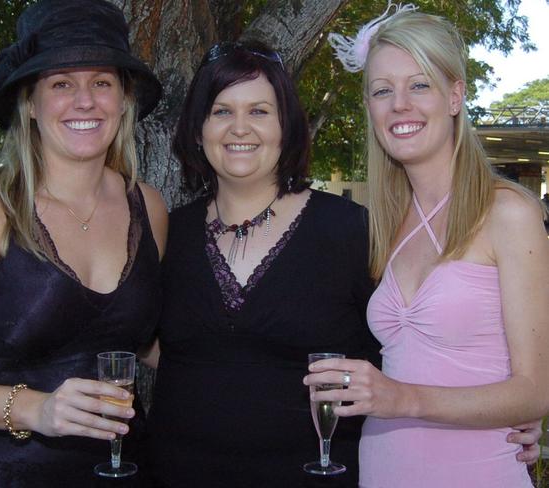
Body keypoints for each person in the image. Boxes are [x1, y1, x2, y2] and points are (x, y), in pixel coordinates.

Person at [0, 0, 167, 486]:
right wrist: (36, 409)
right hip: (7, 475)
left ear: (124, 99)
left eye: (101, 83)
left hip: (131, 470)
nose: (84, 101)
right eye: (61, 83)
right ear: (29, 103)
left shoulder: (148, 208)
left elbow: (147, 341)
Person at [306, 5, 549, 487]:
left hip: (478, 472)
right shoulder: (388, 224)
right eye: (382, 90)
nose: (399, 104)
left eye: (419, 84)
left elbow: (535, 392)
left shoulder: (509, 214)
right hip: (383, 469)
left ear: (455, 95)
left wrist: (402, 397)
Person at [145, 40, 381, 488]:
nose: (239, 128)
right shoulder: (166, 233)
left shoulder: (351, 230)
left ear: (286, 126)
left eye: (259, 111)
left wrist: (486, 421)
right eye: (221, 111)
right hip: (175, 473)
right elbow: (128, 334)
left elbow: (412, 351)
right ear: (198, 129)